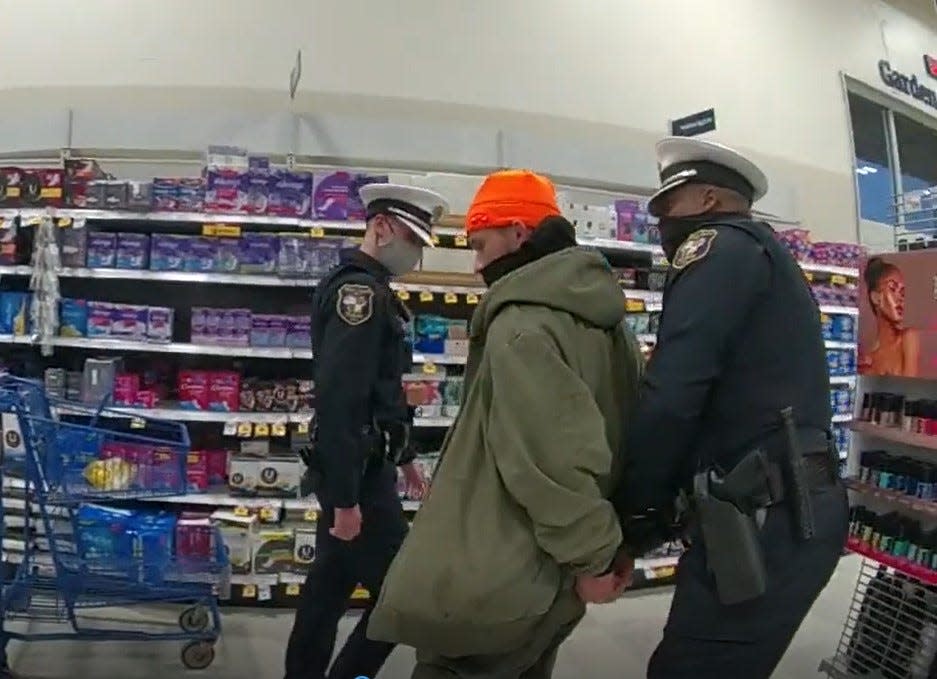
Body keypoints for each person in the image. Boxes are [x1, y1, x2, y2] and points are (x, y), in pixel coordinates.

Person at [367, 169, 643, 679]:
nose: (476, 265)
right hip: (549, 569)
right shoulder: (609, 321)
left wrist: (594, 558)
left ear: (519, 234)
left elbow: (550, 461)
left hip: (499, 575)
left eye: (481, 245)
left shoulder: (521, 325)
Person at [600, 138, 849, 679]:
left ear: (709, 200)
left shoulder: (717, 249)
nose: (661, 219)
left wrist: (632, 517)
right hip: (782, 510)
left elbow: (673, 397)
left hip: (766, 521)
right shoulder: (762, 253)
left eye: (669, 205)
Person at [284, 183, 449, 679]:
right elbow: (341, 401)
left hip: (363, 467)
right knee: (404, 594)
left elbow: (376, 393)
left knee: (328, 589)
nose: (416, 255)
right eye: (411, 240)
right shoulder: (359, 294)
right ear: (380, 228)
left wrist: (405, 459)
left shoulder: (374, 290)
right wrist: (346, 498)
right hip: (357, 476)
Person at [858, 256, 920, 377]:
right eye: (892, 289)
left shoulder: (908, 338)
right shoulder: (869, 360)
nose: (900, 298)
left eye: (902, 292)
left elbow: (910, 391)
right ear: (876, 297)